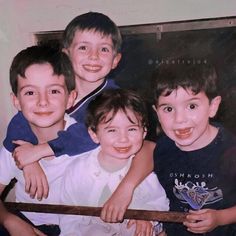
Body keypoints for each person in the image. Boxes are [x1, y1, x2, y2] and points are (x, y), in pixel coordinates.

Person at [3, 12, 155, 222]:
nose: (94, 56)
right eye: (83, 47)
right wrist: (26, 158)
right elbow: (21, 118)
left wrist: (39, 152)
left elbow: (146, 147)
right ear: (66, 54)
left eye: (103, 49)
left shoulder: (117, 102)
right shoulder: (52, 88)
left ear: (115, 60)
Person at [59, 88, 169, 236]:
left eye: (131, 129)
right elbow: (68, 214)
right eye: (112, 130)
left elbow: (159, 203)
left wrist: (147, 219)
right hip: (90, 228)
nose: (123, 139)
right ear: (94, 134)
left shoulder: (145, 171)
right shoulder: (78, 169)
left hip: (132, 225)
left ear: (144, 132)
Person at [0, 45, 78, 235]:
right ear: (16, 101)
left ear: (71, 98)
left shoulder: (87, 139)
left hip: (79, 226)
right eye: (30, 92)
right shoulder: (15, 143)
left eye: (53, 91)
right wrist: (10, 220)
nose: (42, 101)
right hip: (25, 221)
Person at [152, 61, 236, 235]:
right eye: (168, 109)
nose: (179, 119)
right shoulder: (162, 149)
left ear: (212, 106)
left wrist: (221, 217)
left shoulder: (230, 150)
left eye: (191, 106)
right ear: (157, 112)